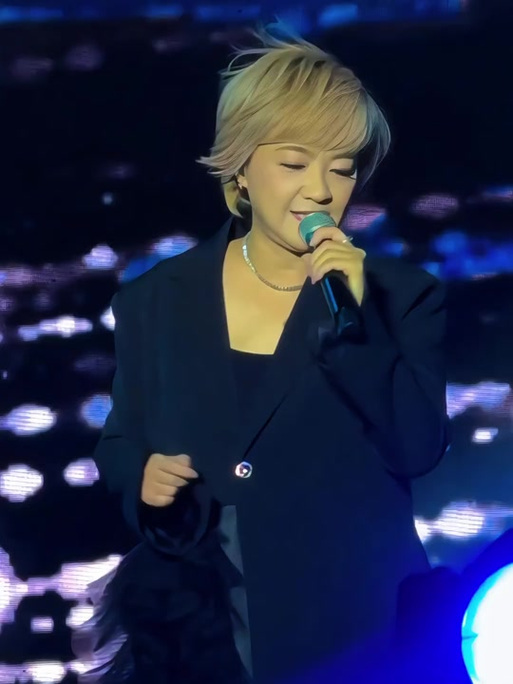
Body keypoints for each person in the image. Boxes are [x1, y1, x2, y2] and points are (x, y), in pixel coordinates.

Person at [73, 20, 450, 684]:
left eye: (342, 168)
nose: (320, 190)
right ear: (241, 167)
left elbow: (417, 447)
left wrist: (357, 326)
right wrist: (142, 478)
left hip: (357, 631)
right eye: (293, 164)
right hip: (204, 631)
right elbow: (123, 439)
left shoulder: (402, 296)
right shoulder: (156, 299)